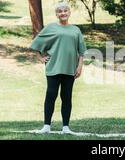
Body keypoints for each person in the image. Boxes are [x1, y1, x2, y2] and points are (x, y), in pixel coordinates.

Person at [30, 1, 87, 134]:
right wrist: (40, 57)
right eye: (60, 11)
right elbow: (36, 43)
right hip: (53, 67)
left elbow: (82, 52)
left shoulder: (75, 30)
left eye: (65, 11)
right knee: (51, 95)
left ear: (69, 12)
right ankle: (46, 126)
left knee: (66, 97)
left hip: (70, 69)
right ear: (56, 14)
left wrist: (79, 67)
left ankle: (66, 127)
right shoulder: (50, 28)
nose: (63, 13)